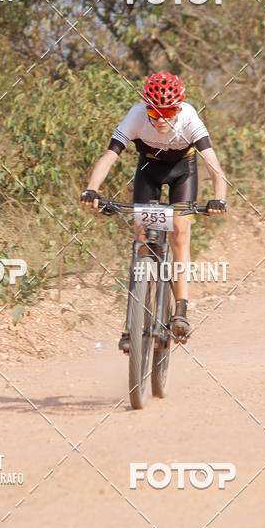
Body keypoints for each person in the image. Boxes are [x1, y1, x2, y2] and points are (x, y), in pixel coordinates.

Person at [80, 71, 227, 350]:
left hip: (183, 172)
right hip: (148, 171)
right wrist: (91, 189)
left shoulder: (189, 118)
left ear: (179, 108)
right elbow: (109, 157)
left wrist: (219, 199)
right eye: (154, 111)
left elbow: (214, 167)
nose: (160, 119)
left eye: (168, 111)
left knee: (180, 232)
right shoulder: (135, 116)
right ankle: (132, 325)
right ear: (145, 106)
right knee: (141, 238)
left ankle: (180, 312)